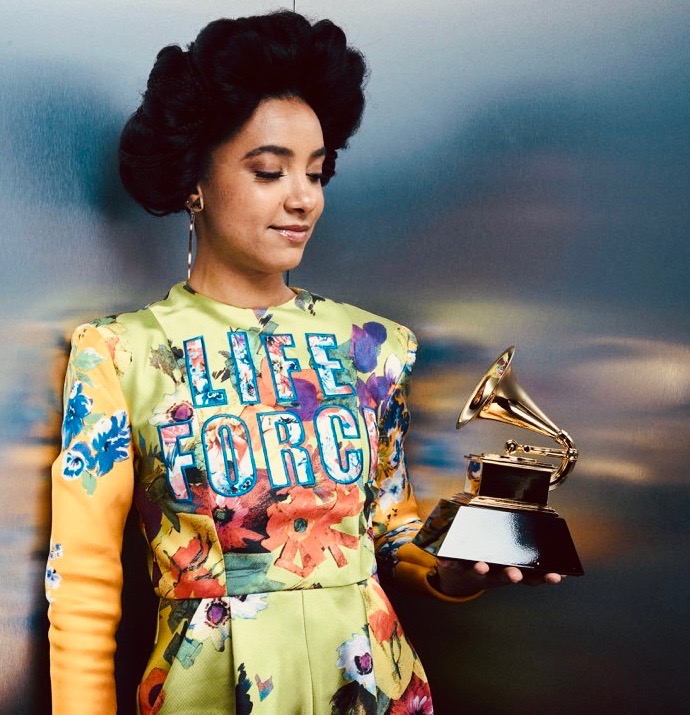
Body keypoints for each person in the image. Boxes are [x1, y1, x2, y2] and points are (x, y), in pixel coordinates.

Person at [46, 11, 561, 715]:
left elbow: (389, 528)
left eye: (316, 172)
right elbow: (81, 585)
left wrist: (460, 571)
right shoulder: (119, 354)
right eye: (269, 171)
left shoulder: (375, 348)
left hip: (376, 686)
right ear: (195, 180)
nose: (303, 198)